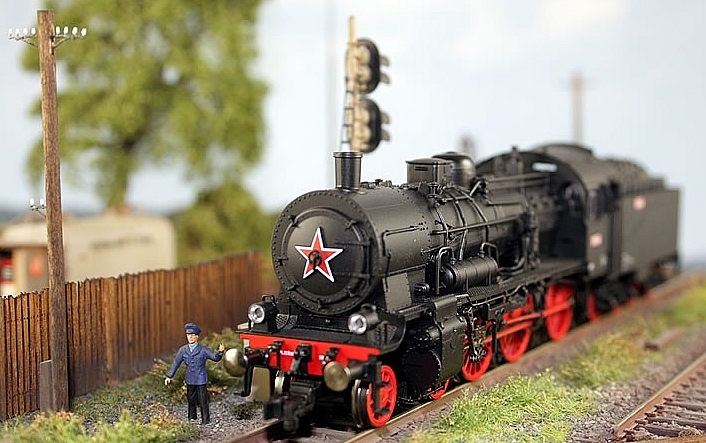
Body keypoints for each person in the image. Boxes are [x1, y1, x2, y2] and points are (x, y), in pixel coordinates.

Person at [165, 322, 225, 425]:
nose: (190, 337)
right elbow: (176, 363)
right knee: (190, 398)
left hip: (201, 379)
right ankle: (192, 416)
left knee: (203, 400)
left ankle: (205, 419)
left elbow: (214, 357)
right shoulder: (183, 350)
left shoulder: (203, 350)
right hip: (190, 379)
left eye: (192, 335)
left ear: (197, 336)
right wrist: (169, 376)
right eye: (188, 335)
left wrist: (220, 352)